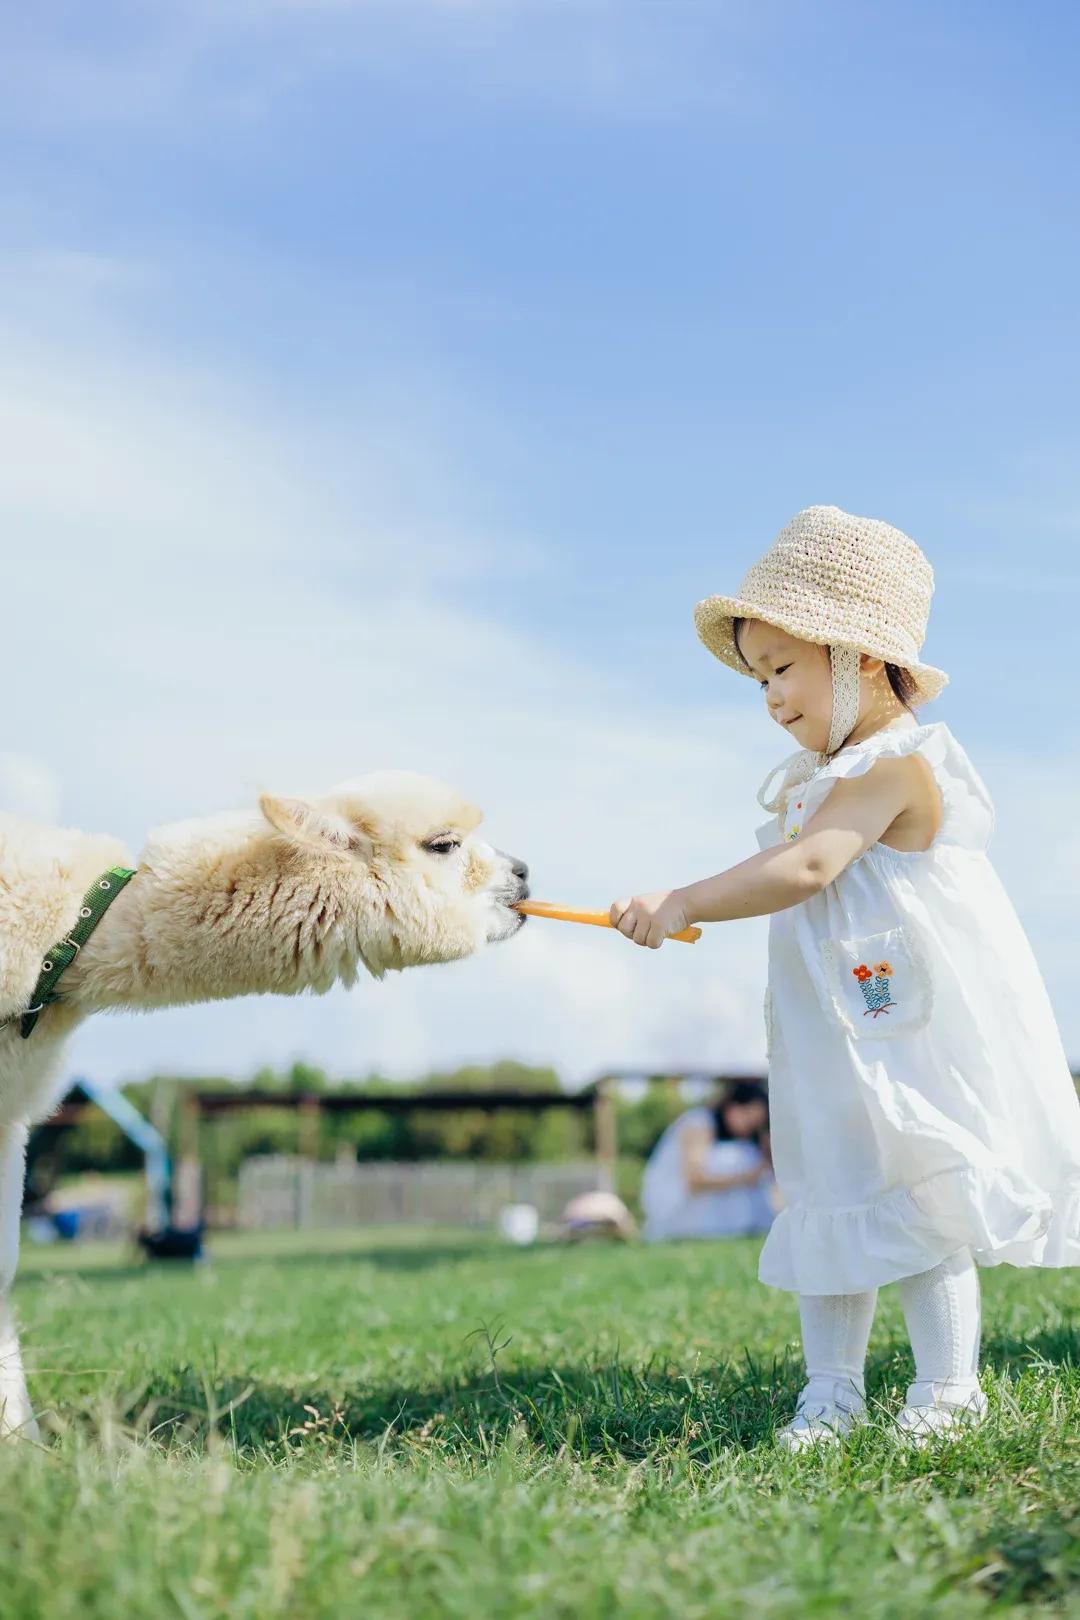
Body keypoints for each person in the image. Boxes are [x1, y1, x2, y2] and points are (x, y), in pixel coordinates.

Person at [607, 505, 1080, 1451]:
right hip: (834, 1034)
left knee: (918, 1189)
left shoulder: (897, 768)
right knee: (829, 1187)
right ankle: (832, 1392)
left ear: (859, 659)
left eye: (784, 668)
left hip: (910, 1036)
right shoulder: (822, 777)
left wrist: (686, 899)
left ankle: (949, 1391)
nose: (772, 697)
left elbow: (809, 870)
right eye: (760, 676)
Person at [640, 1080, 775, 1241]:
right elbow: (695, 1180)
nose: (748, 1128)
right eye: (748, 1119)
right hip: (678, 1212)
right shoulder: (699, 1123)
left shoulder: (739, 1139)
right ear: (731, 1107)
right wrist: (747, 1177)